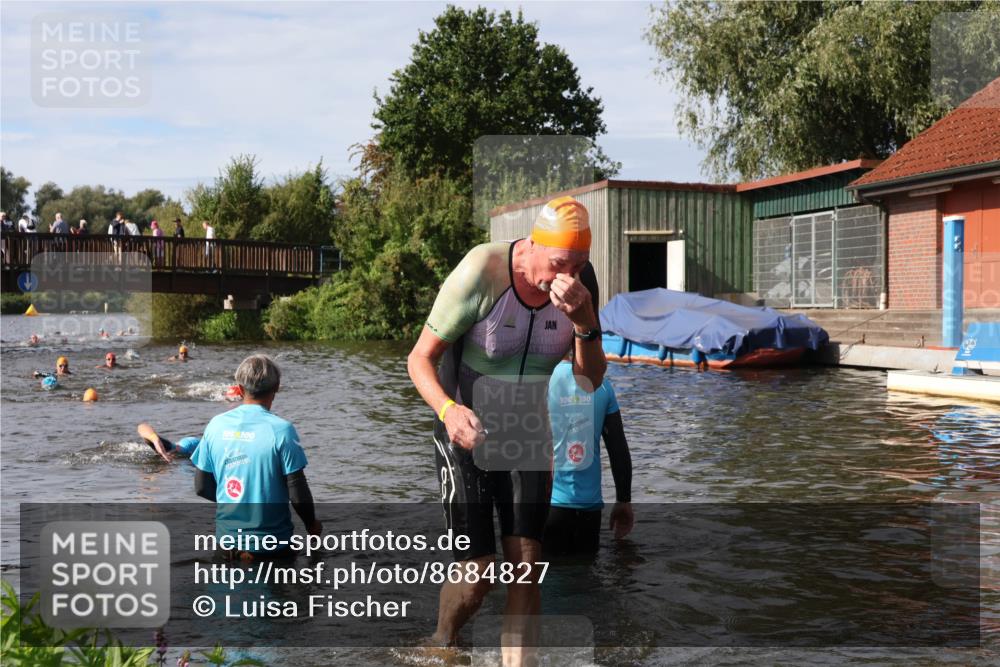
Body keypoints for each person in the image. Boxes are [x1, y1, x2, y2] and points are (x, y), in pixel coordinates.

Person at [407, 195, 605, 662]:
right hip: (465, 423)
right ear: (533, 245)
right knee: (478, 574)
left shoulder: (581, 284)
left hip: (526, 428)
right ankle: (442, 643)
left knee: (527, 567)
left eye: (579, 266)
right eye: (559, 263)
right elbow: (419, 360)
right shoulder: (483, 270)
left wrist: (584, 322)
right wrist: (449, 411)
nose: (568, 277)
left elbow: (589, 379)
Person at [191, 354, 322, 559]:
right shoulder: (282, 430)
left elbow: (201, 487)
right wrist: (312, 525)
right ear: (277, 387)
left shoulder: (215, 425)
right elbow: (298, 493)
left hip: (225, 547)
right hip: (271, 549)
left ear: (240, 389)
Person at [544, 360, 633, 556]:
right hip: (590, 510)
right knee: (586, 579)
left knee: (544, 580)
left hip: (548, 508)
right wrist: (623, 500)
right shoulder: (603, 386)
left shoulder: (541, 379)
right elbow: (618, 448)